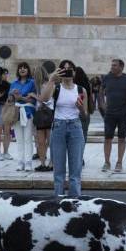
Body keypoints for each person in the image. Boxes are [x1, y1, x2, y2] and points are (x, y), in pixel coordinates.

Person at [38, 59, 86, 196]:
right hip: (59, 126)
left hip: (76, 127)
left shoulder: (81, 90)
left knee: (75, 170)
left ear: (75, 72)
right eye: (63, 69)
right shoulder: (55, 88)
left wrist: (81, 108)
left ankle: (75, 202)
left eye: (70, 69)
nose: (67, 71)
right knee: (58, 170)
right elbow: (43, 99)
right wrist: (52, 79)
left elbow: (85, 115)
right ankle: (58, 202)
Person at [100, 58, 126, 172]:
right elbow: (100, 91)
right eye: (112, 65)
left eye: (114, 65)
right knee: (107, 138)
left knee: (122, 138)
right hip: (109, 113)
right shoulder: (107, 78)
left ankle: (119, 163)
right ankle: (107, 162)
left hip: (123, 113)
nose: (112, 67)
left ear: (121, 67)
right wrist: (102, 104)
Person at [9, 62, 38, 172]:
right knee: (19, 139)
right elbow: (9, 100)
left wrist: (21, 97)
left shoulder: (32, 83)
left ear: (28, 70)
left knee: (27, 139)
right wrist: (13, 96)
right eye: (20, 68)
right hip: (16, 112)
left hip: (28, 112)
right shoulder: (14, 83)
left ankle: (28, 162)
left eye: (25, 68)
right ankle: (20, 161)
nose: (22, 69)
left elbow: (33, 99)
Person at [31, 64, 53, 172]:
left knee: (49, 141)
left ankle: (51, 162)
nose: (34, 75)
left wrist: (34, 96)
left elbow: (46, 100)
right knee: (40, 141)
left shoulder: (47, 85)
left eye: (35, 73)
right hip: (40, 115)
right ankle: (43, 163)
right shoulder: (37, 86)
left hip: (48, 114)